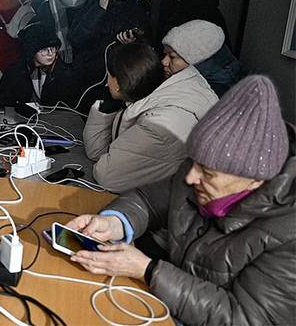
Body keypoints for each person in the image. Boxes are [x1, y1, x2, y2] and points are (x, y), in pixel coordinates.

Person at [67, 75, 295, 325]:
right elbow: (147, 200)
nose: (191, 177)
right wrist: (114, 222)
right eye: (194, 163)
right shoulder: (199, 168)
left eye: (207, 173)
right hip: (167, 304)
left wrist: (148, 270)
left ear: (255, 180)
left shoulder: (288, 234)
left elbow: (246, 319)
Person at [83, 43, 218, 193]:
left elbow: (108, 176)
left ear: (119, 83)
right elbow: (97, 151)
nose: (106, 84)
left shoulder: (158, 125)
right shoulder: (155, 95)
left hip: (184, 201)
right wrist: (108, 106)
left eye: (108, 76)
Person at [71, 0, 150, 108]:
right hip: (90, 77)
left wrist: (130, 44)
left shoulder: (136, 11)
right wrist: (98, 11)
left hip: (121, 78)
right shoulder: (91, 7)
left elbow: (146, 45)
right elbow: (77, 39)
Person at [0, 21, 80, 108]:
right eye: (44, 49)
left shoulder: (67, 75)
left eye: (53, 48)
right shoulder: (14, 72)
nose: (50, 53)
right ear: (32, 51)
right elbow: (0, 102)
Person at [162, 20, 244, 96]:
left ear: (197, 60)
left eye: (172, 57)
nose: (164, 62)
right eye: (165, 54)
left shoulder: (212, 97)